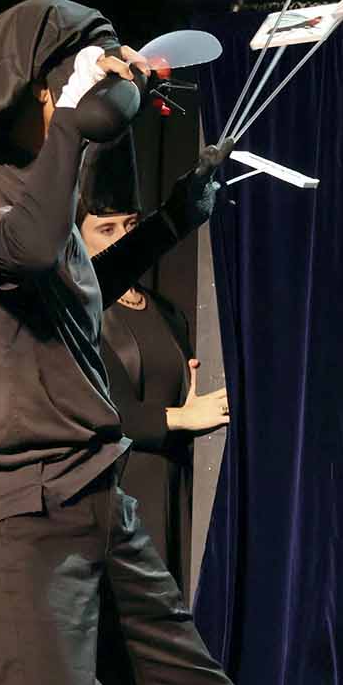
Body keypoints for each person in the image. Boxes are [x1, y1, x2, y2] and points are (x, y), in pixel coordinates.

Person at [0, 0, 241, 685]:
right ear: (37, 92)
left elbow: (65, 290)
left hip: (90, 490)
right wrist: (70, 132)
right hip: (13, 512)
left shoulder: (39, 195)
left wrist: (169, 222)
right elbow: (23, 252)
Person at [77, 136, 229, 587]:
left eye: (131, 226)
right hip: (116, 497)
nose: (125, 239)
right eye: (106, 230)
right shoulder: (75, 315)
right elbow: (103, 413)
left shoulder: (166, 312)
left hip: (172, 490)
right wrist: (181, 416)